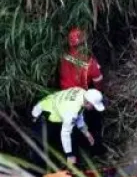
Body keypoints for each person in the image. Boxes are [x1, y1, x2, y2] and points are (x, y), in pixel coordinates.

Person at [59, 27, 106, 155]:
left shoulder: (63, 56)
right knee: (93, 118)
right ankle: (95, 149)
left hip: (64, 96)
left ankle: (74, 153)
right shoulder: (89, 62)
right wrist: (99, 93)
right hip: (80, 97)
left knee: (71, 127)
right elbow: (98, 80)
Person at [31, 87, 104, 166]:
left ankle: (66, 162)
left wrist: (86, 133)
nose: (93, 108)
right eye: (93, 106)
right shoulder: (71, 111)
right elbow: (65, 133)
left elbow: (79, 115)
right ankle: (38, 171)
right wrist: (69, 155)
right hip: (43, 114)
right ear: (87, 103)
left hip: (52, 107)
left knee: (69, 138)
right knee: (40, 146)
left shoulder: (82, 92)